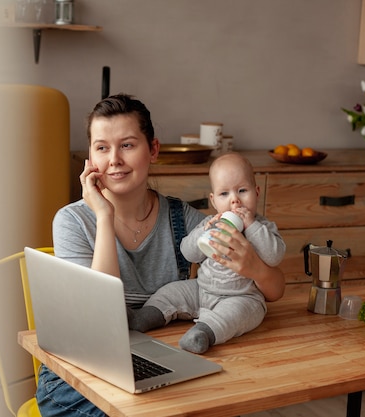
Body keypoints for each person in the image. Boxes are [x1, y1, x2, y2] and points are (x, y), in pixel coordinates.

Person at [36, 94, 286, 417]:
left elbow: (275, 290)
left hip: (158, 365)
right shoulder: (73, 222)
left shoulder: (185, 220)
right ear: (90, 159)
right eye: (101, 148)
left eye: (127, 145)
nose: (114, 160)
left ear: (153, 150)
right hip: (80, 381)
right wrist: (104, 216)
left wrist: (254, 267)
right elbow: (99, 317)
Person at [128, 152, 286, 353]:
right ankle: (144, 317)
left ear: (256, 192)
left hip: (241, 296)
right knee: (172, 292)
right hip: (202, 289)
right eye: (224, 194)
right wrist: (204, 231)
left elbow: (274, 256)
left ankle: (203, 333)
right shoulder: (209, 223)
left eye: (242, 190)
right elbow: (188, 253)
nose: (235, 201)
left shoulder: (262, 227)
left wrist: (251, 225)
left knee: (238, 314)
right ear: (213, 200)